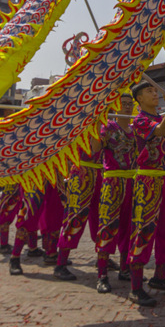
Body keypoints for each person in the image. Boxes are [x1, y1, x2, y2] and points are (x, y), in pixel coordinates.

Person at [127, 79, 165, 307]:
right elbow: (160, 132)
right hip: (147, 181)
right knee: (144, 229)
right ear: (139, 99)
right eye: (149, 91)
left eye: (154, 89)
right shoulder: (140, 121)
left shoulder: (163, 119)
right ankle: (135, 286)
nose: (154, 92)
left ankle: (159, 278)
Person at [94, 92, 138, 294]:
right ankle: (102, 274)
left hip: (131, 181)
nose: (128, 107)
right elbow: (96, 147)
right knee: (108, 226)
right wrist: (95, 122)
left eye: (130, 103)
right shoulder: (108, 127)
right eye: (124, 103)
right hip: (112, 182)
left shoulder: (134, 130)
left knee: (128, 228)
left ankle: (124, 268)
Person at [53, 139, 103, 281]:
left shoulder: (106, 124)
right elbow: (95, 145)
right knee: (74, 218)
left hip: (98, 172)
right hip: (82, 172)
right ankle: (60, 264)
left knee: (101, 218)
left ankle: (102, 257)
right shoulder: (81, 120)